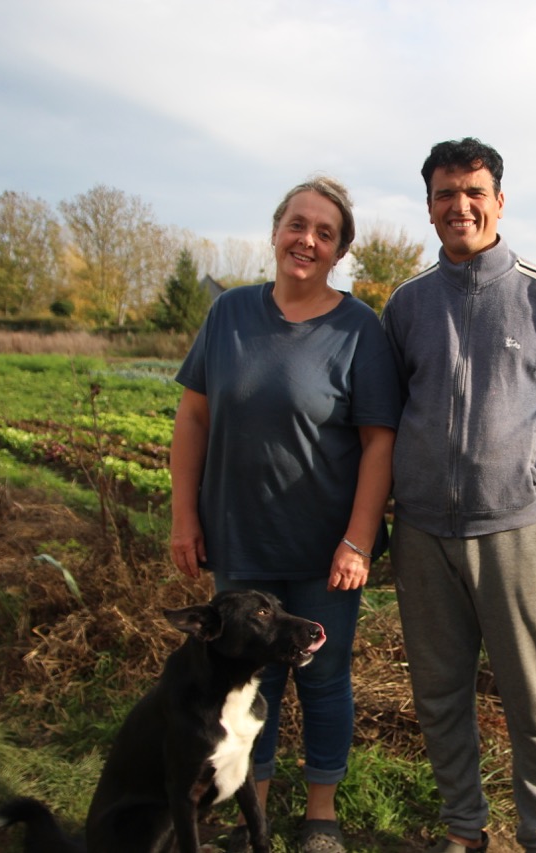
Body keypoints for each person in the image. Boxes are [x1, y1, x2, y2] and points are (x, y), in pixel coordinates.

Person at [169, 175, 400, 853]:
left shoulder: (357, 328)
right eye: (298, 224)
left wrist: (358, 539)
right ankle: (254, 812)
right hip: (240, 542)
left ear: (338, 252)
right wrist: (185, 514)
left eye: (325, 233)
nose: (308, 239)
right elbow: (193, 416)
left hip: (325, 550)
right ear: (276, 232)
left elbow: (378, 440)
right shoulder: (230, 316)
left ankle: (321, 815)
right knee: (248, 680)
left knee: (323, 676)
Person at [381, 138, 536, 853]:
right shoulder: (407, 305)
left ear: (499, 201)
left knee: (532, 699)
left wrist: (526, 480)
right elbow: (390, 410)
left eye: (474, 191)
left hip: (515, 533)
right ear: (429, 207)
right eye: (446, 193)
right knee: (441, 697)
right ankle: (464, 829)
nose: (460, 205)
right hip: (421, 535)